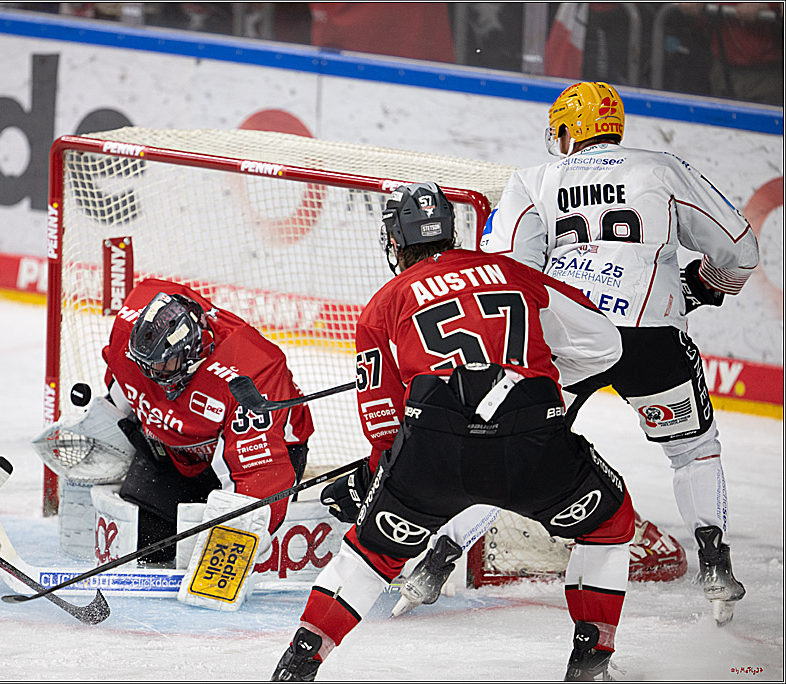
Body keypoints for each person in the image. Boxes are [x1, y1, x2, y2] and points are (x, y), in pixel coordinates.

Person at [273, 182, 636, 682]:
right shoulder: (513, 271)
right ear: (451, 229)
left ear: (395, 239)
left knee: (371, 553)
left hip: (434, 450)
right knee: (608, 523)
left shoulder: (384, 304)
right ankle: (591, 660)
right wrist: (544, 382)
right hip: (532, 441)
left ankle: (300, 661)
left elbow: (381, 418)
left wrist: (381, 479)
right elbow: (605, 344)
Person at [480, 81, 757, 627]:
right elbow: (740, 249)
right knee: (694, 450)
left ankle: (440, 560)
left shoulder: (534, 179)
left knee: (514, 444)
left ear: (568, 130)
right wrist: (705, 284)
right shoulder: (661, 168)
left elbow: (507, 272)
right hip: (652, 337)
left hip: (572, 337)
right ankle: (715, 561)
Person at [100, 278, 314, 577]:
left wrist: (241, 539)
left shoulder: (251, 372)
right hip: (178, 450)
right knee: (146, 541)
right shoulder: (131, 331)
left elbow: (260, 471)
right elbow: (122, 378)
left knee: (221, 564)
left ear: (190, 353)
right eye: (145, 364)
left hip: (262, 456)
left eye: (162, 367)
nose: (151, 374)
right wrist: (105, 427)